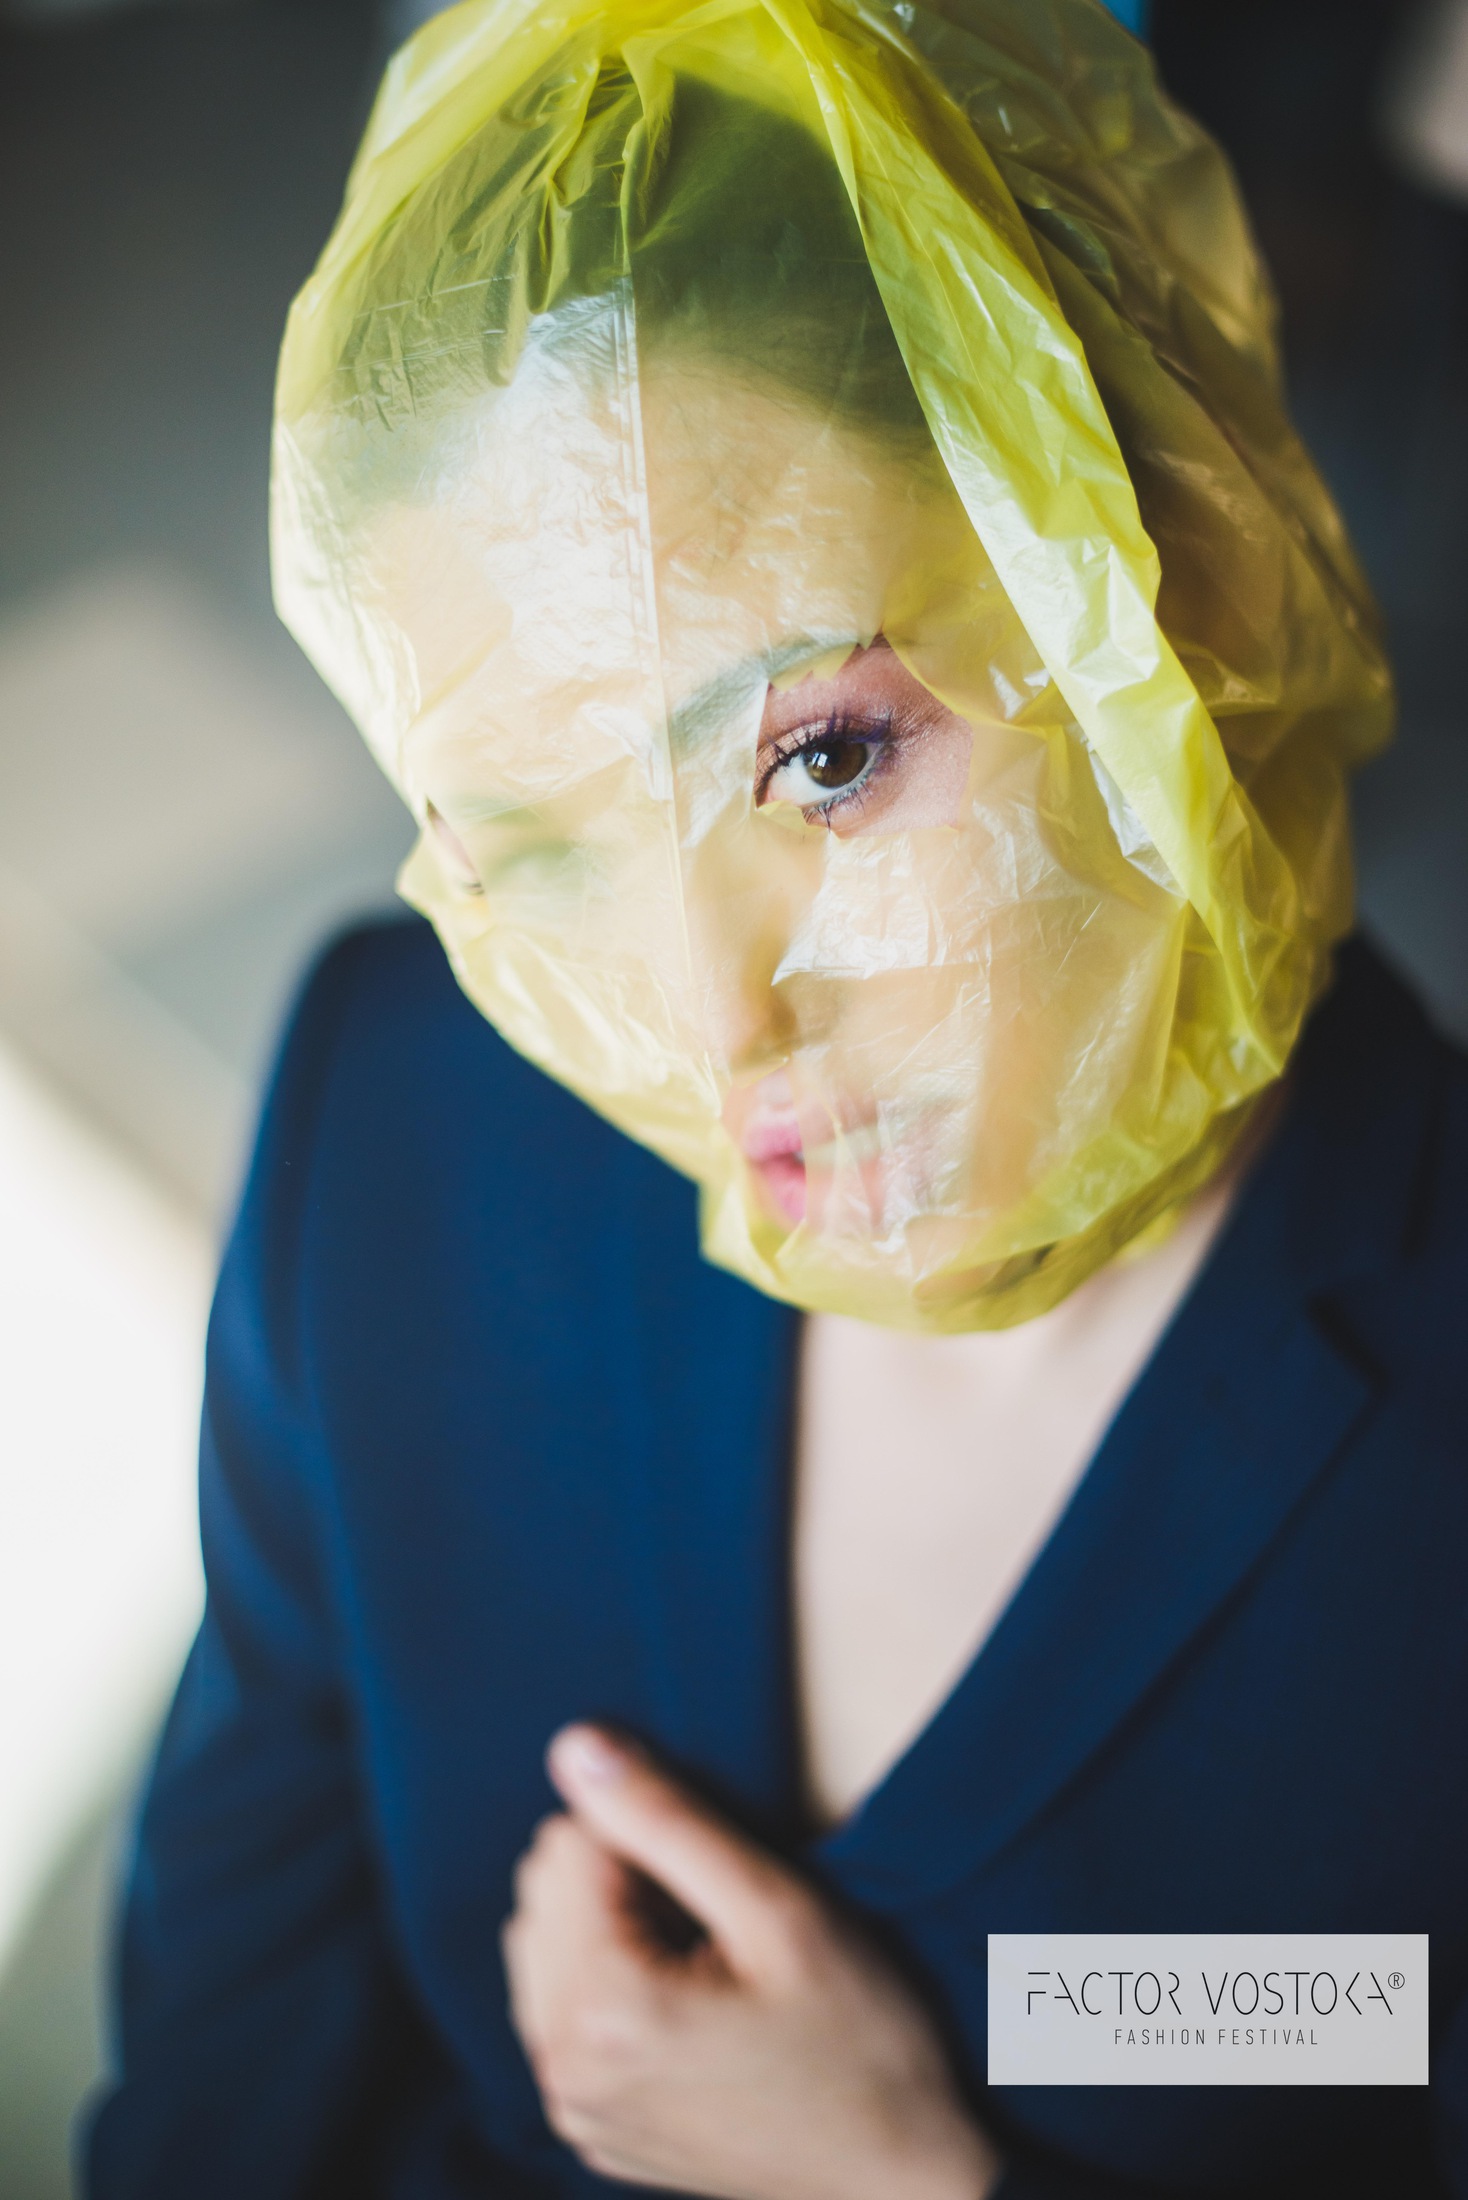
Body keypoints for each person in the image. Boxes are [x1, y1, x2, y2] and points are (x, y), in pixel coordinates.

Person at [90, 0, 1468, 2194]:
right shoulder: (404, 1132)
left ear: (1170, 566)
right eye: (546, 849)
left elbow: (1362, 2038)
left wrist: (914, 2173)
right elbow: (221, 2077)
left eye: (821, 761)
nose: (709, 1020)